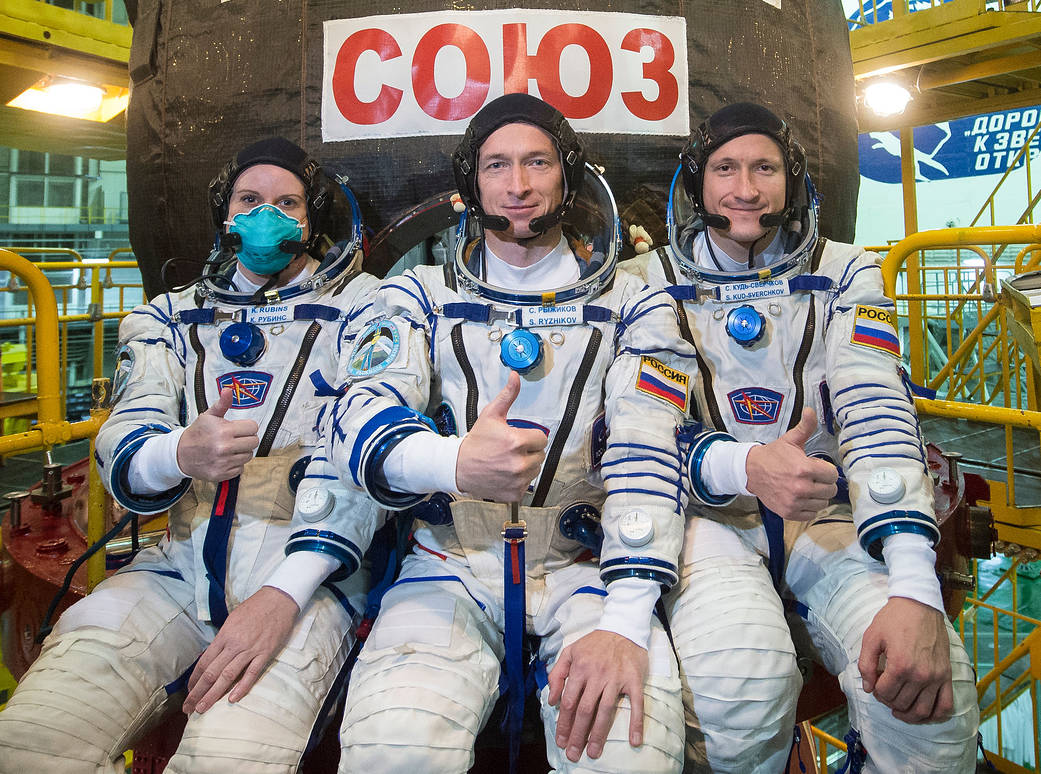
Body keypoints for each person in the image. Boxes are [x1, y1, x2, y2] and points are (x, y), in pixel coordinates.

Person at [304, 92, 687, 772]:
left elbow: (650, 448)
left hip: (587, 568)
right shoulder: (414, 295)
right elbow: (354, 416)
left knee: (629, 755)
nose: (517, 186)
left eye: (537, 162)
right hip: (450, 564)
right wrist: (452, 464)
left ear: (566, 176)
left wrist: (626, 620)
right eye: (496, 166)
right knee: (392, 751)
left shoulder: (635, 301)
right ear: (470, 183)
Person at [0, 137, 380, 773]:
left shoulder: (365, 309)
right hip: (178, 568)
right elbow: (125, 439)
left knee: (228, 758)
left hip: (305, 582)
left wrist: (282, 595)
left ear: (312, 218)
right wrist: (179, 452)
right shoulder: (169, 319)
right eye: (249, 200)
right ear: (225, 214)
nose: (267, 215)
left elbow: (363, 462)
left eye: (287, 203)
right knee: (33, 744)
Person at [628, 102, 980, 773]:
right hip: (712, 517)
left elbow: (875, 410)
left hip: (829, 512)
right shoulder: (653, 284)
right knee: (740, 694)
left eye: (763, 167)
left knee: (934, 707)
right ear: (696, 183)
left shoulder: (848, 270)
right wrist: (744, 465)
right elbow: (641, 433)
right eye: (725, 168)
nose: (745, 188)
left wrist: (913, 588)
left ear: (790, 178)